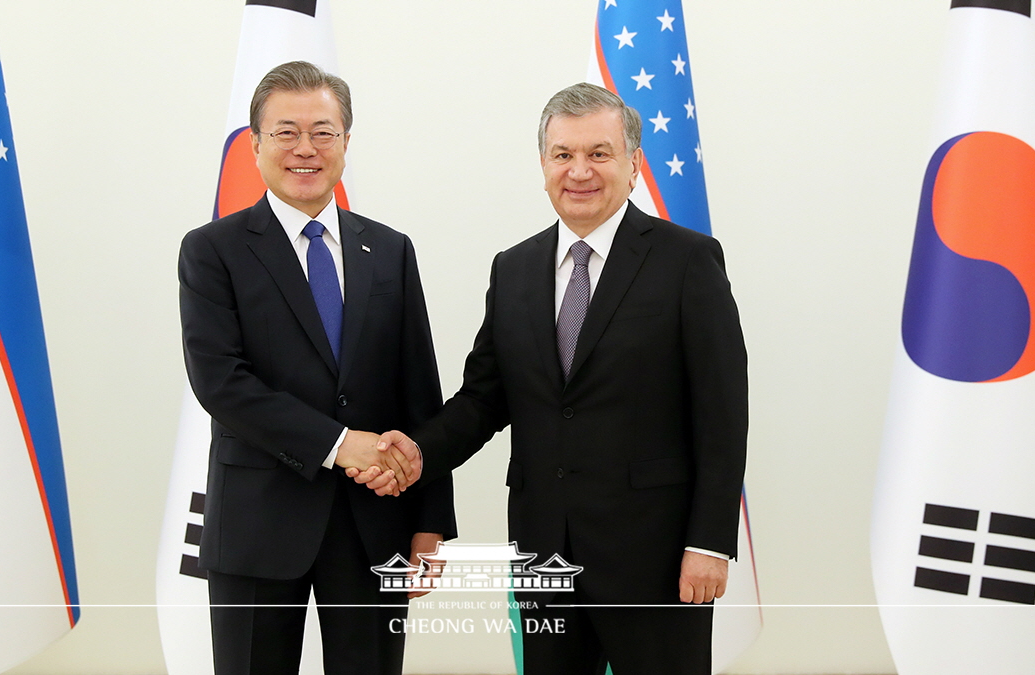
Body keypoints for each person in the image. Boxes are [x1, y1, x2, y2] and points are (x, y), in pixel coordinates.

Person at [356, 83, 747, 674]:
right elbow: (484, 399)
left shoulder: (688, 261)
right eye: (563, 154)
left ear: (633, 164)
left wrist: (709, 543)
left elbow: (722, 413)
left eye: (599, 152)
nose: (579, 170)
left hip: (657, 556)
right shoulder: (513, 269)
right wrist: (414, 452)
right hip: (545, 554)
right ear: (543, 164)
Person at [179, 60, 456, 675]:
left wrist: (431, 524)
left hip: (375, 528)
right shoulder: (212, 250)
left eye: (323, 132)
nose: (306, 148)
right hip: (257, 523)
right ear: (254, 145)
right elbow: (222, 384)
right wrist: (340, 445)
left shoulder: (389, 249)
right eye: (286, 132)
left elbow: (420, 391)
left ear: (346, 143)